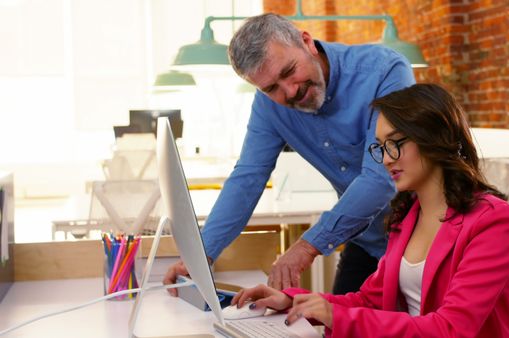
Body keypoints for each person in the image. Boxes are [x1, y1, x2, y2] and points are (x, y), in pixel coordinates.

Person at [230, 84, 509, 337]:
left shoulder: (492, 221)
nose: (385, 159)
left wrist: (336, 316)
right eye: (380, 147)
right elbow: (370, 300)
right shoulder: (408, 217)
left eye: (394, 144)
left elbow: (451, 329)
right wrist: (290, 300)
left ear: (434, 137)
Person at [163, 13, 415, 294]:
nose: (290, 92)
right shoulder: (268, 107)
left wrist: (307, 245)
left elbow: (380, 177)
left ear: (306, 42)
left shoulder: (384, 71)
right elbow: (248, 177)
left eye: (288, 71)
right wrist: (201, 257)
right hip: (368, 241)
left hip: (426, 242)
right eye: (271, 88)